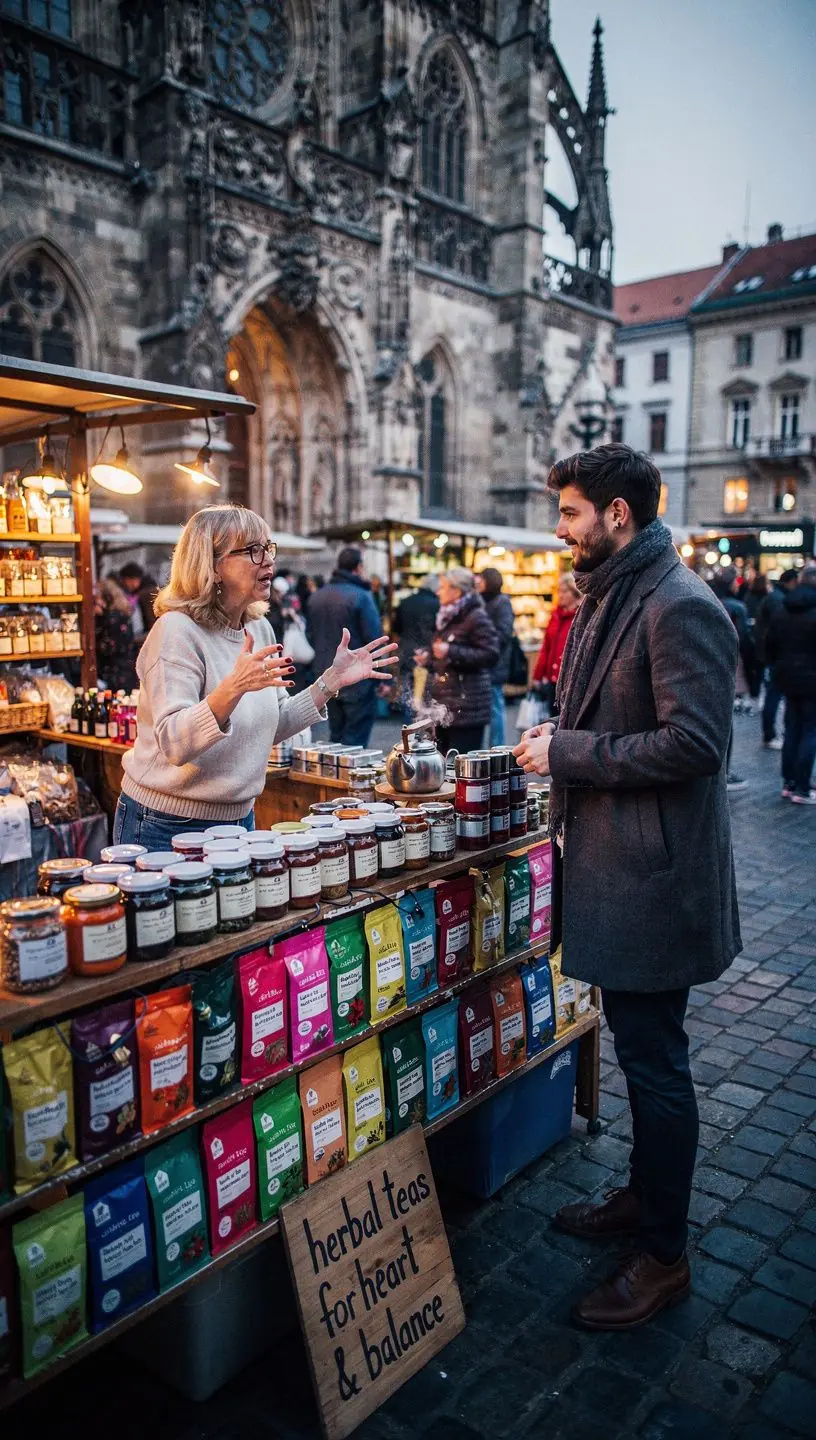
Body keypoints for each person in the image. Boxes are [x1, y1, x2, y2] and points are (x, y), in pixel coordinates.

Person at [514, 443, 739, 1331]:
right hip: (619, 866)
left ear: (618, 514)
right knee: (642, 1049)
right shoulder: (615, 590)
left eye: (570, 511)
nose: (559, 528)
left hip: (656, 878)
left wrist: (567, 752)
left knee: (655, 1061)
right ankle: (645, 1198)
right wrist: (556, 739)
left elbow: (697, 745)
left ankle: (664, 1256)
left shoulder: (680, 603)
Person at [112, 507, 396, 850]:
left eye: (268, 548)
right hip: (165, 822)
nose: (268, 561)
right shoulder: (176, 631)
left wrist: (331, 681)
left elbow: (272, 724)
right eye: (253, 550)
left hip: (239, 818)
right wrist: (234, 687)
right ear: (212, 565)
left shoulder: (259, 628)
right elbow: (175, 743)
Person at [415, 567, 499, 754]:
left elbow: (491, 654)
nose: (438, 592)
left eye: (443, 587)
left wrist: (451, 651)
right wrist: (428, 657)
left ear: (456, 591)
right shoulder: (447, 616)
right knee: (443, 762)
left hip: (467, 707)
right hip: (446, 705)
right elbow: (442, 652)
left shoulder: (476, 617)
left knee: (459, 763)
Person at [307, 546, 384, 746]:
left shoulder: (317, 596)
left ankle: (336, 767)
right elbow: (374, 640)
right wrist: (382, 678)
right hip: (355, 678)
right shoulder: (361, 596)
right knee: (355, 740)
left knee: (336, 735)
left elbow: (310, 635)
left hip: (325, 674)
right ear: (358, 568)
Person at [766, 562, 816, 805]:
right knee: (809, 730)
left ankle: (789, 782)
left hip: (787, 677)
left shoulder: (782, 608)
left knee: (792, 728)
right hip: (811, 679)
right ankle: (803, 787)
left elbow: (770, 644)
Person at [756, 568, 799, 748]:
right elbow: (778, 630)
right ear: (792, 581)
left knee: (773, 694)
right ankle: (769, 734)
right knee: (774, 695)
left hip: (774, 655)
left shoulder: (775, 597)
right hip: (777, 656)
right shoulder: (779, 600)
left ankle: (770, 733)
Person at [476, 568, 515, 746]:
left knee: (495, 708)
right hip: (484, 662)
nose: (478, 582)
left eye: (481, 579)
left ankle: (497, 747)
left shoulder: (502, 602)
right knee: (488, 707)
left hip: (495, 663)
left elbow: (505, 633)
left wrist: (485, 642)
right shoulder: (481, 601)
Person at [532, 572, 580, 711]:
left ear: (575, 592)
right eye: (559, 591)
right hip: (552, 680)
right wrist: (537, 676)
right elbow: (546, 647)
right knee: (551, 717)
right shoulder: (555, 616)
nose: (560, 595)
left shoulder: (580, 616)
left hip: (570, 681)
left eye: (565, 591)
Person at [391, 575, 439, 712]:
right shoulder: (436, 604)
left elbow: (396, 628)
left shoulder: (406, 602)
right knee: (426, 693)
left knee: (408, 691)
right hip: (427, 652)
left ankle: (409, 721)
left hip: (406, 649)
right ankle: (423, 723)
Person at [94, 578, 138, 693]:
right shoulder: (122, 614)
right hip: (125, 670)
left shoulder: (112, 618)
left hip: (115, 674)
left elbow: (106, 647)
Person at [116, 561, 158, 640]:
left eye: (137, 580)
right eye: (130, 581)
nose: (134, 584)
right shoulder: (122, 595)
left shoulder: (143, 594)